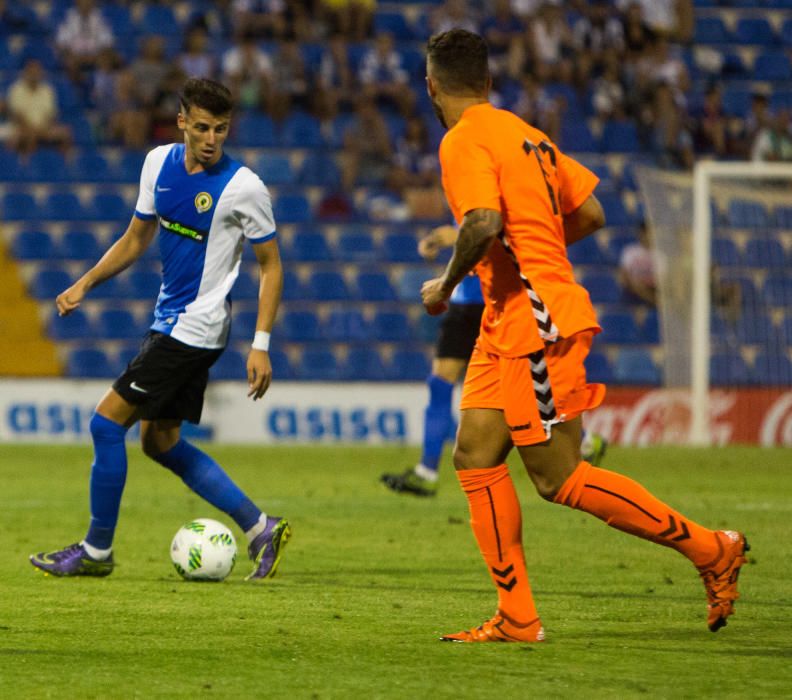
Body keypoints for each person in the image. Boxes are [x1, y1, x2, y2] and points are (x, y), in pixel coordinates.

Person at [420, 29, 748, 643]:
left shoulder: (461, 140)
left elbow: (484, 222)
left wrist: (444, 285)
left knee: (558, 477)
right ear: (489, 83)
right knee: (474, 455)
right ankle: (516, 615)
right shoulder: (527, 134)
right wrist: (531, 251)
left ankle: (712, 548)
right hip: (506, 317)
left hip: (534, 317)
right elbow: (592, 213)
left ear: (431, 86)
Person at [30, 78, 291, 581]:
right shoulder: (157, 164)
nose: (212, 138)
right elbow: (135, 238)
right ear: (181, 124)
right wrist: (86, 282)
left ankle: (96, 552)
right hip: (169, 321)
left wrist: (261, 345)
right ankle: (261, 528)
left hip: (197, 327)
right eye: (201, 128)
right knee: (159, 442)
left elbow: (272, 266)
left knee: (106, 424)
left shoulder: (244, 188)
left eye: (220, 129)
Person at [381, 228, 608, 498]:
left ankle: (582, 440)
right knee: (439, 383)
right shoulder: (462, 192)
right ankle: (426, 472)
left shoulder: (494, 191)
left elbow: (490, 230)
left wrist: (451, 239)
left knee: (522, 384)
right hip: (463, 303)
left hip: (502, 300)